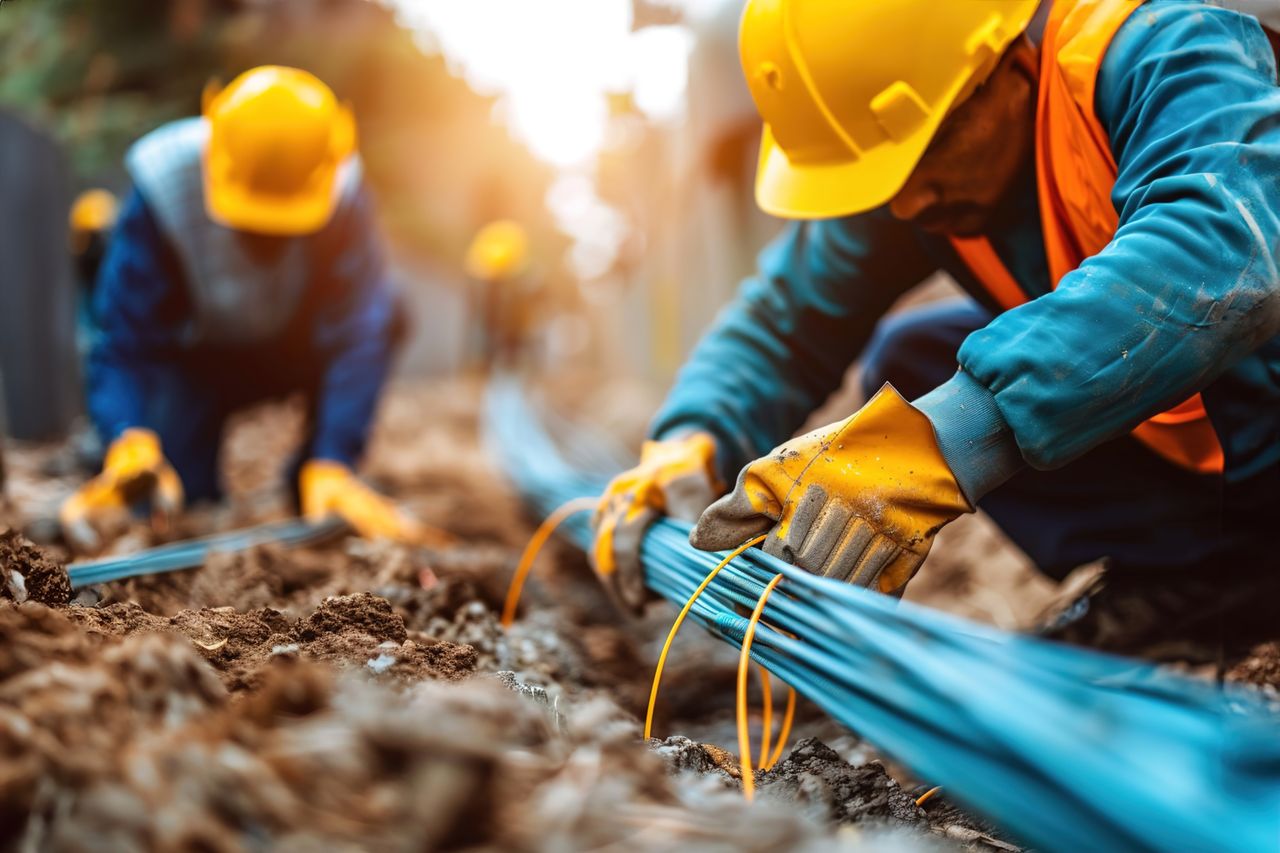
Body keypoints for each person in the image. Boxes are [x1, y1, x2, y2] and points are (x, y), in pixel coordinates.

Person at [592, 0, 1280, 654]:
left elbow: (1226, 248)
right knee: (916, 358)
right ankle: (1215, 580)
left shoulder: (1161, 46)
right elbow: (785, 320)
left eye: (932, 149)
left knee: (954, 395)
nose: (912, 198)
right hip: (1236, 463)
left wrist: (949, 435)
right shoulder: (916, 168)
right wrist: (693, 438)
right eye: (890, 176)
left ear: (1008, 60)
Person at [60, 66, 445, 552]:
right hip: (198, 363)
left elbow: (360, 333)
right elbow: (124, 337)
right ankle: (161, 455)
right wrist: (127, 435)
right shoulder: (164, 180)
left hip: (290, 352)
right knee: (177, 494)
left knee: (391, 307)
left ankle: (312, 479)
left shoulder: (344, 189)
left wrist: (335, 456)